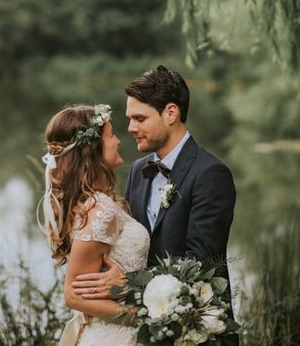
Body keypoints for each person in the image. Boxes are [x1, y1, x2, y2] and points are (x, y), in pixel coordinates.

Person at [72, 66, 238, 343]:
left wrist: (128, 281)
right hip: (146, 329)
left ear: (171, 113)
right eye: (129, 118)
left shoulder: (210, 175)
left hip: (196, 331)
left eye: (139, 118)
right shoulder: (139, 170)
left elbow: (200, 265)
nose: (130, 128)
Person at [39, 103, 150, 346]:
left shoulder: (97, 202)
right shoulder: (100, 209)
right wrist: (145, 317)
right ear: (93, 149)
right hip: (116, 336)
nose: (119, 141)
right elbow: (74, 296)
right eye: (111, 135)